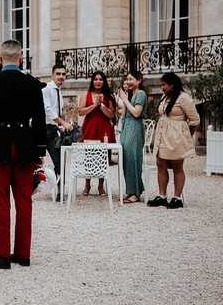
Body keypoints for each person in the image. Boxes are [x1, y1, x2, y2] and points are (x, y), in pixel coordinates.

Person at [0, 40, 47, 269]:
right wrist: (40, 149)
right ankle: (23, 254)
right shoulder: (33, 84)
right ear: (21, 58)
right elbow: (39, 119)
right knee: (24, 200)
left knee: (0, 199)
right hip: (25, 144)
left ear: (0, 57)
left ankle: (1, 254)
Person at [147, 73, 199, 209]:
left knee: (177, 166)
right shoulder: (165, 97)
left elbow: (195, 120)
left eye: (164, 84)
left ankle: (177, 197)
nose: (161, 87)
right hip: (163, 135)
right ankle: (162, 195)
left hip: (176, 137)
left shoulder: (184, 98)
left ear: (172, 85)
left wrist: (185, 136)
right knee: (160, 164)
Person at [78, 71, 116, 196]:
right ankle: (87, 184)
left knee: (103, 157)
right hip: (90, 127)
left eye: (100, 79)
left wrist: (102, 106)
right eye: (95, 79)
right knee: (89, 156)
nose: (98, 81)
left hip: (104, 129)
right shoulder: (86, 94)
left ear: (104, 82)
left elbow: (111, 114)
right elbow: (81, 112)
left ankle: (101, 185)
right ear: (92, 81)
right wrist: (94, 105)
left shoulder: (108, 96)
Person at [117, 71, 148, 204]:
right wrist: (124, 99)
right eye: (127, 79)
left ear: (139, 80)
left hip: (135, 127)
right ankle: (131, 190)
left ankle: (136, 192)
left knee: (133, 158)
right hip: (126, 126)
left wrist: (124, 99)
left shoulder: (141, 94)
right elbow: (123, 114)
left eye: (131, 79)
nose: (128, 81)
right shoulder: (130, 94)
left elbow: (136, 113)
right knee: (126, 159)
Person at [42, 63, 71, 201]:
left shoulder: (59, 91)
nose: (61, 76)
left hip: (53, 130)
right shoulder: (47, 89)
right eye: (58, 74)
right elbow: (48, 110)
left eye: (63, 74)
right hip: (44, 130)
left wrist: (64, 123)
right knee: (36, 162)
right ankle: (31, 188)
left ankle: (59, 192)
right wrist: (62, 122)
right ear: (52, 75)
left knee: (59, 161)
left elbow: (58, 111)